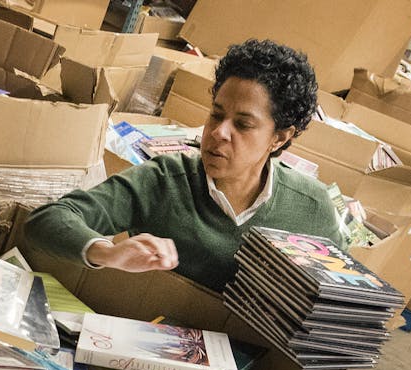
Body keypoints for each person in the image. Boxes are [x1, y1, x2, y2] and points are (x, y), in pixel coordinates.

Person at [22, 39, 345, 292]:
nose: (219, 132)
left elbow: (341, 297)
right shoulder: (165, 181)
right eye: (216, 115)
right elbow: (47, 220)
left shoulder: (313, 209)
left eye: (243, 125)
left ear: (280, 138)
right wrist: (108, 252)